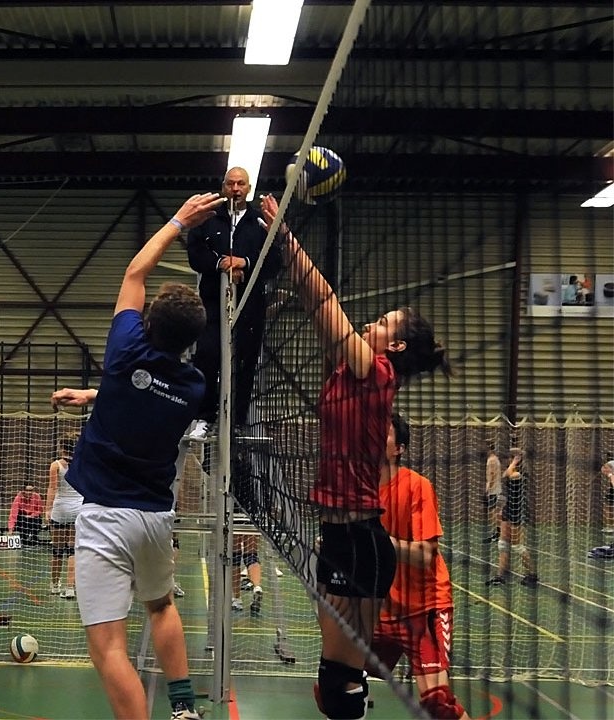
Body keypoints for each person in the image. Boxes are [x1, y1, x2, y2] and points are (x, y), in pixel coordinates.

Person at [260, 193, 452, 720]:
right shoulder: (349, 370)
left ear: (396, 347)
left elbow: (327, 301)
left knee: (338, 685)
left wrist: (287, 236)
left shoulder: (377, 372)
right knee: (335, 682)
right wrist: (285, 262)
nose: (371, 323)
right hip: (338, 535)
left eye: (383, 322)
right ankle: (353, 696)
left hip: (361, 542)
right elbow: (317, 308)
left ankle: (354, 699)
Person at [50, 191, 223, 720]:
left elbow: (134, 272)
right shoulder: (192, 386)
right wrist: (93, 394)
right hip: (155, 519)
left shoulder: (126, 348)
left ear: (147, 323)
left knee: (108, 649)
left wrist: (178, 222)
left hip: (106, 515)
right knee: (161, 604)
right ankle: (184, 709)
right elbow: (141, 393)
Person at [372, 413, 470, 719]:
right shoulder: (360, 492)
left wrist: (378, 543)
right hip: (382, 609)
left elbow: (425, 555)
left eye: (384, 432)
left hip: (424, 609)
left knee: (438, 705)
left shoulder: (417, 487)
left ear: (398, 448)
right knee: (336, 684)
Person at [185, 167, 283, 441]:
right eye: (231, 184)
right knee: (207, 355)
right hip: (212, 304)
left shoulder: (259, 222)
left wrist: (245, 263)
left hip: (250, 307)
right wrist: (221, 263)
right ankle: (204, 418)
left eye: (241, 184)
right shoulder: (208, 219)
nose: (236, 189)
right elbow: (195, 255)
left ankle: (237, 422)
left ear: (249, 188)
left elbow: (274, 262)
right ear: (223, 187)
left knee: (245, 362)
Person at [487, 447, 537, 587]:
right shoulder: (511, 471)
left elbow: (508, 474)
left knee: (517, 546)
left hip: (517, 511)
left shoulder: (519, 474)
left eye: (511, 458)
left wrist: (515, 460)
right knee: (502, 544)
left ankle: (532, 574)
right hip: (508, 508)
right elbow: (505, 475)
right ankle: (500, 575)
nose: (508, 460)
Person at [45, 433, 81, 599]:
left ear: (61, 448)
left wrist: (48, 509)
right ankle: (70, 587)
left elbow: (52, 488)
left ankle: (54, 585)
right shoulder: (82, 463)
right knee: (72, 550)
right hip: (78, 509)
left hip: (60, 509)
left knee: (57, 550)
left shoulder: (56, 465)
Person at [231, 533, 263, 615]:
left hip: (234, 525)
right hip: (252, 524)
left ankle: (237, 599)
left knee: (234, 556)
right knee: (251, 555)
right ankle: (257, 587)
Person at [483, 441, 502, 543]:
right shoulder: (496, 459)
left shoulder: (491, 460)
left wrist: (488, 488)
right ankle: (497, 532)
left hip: (493, 490)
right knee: (495, 512)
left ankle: (497, 533)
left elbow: (492, 475)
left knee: (493, 512)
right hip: (496, 489)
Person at [601, 456, 614, 535]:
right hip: (612, 490)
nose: (605, 474)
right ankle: (610, 526)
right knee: (607, 506)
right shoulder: (609, 464)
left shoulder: (611, 472)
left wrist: (610, 475)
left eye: (605, 472)